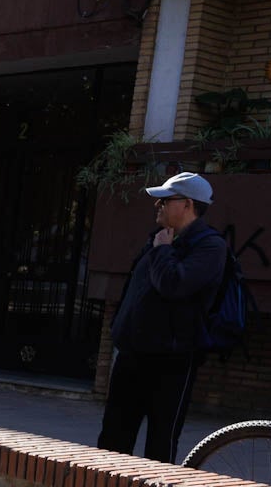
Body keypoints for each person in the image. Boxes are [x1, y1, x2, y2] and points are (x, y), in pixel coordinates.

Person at [97, 172, 228, 464]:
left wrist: (164, 251)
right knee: (113, 438)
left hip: (171, 359)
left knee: (160, 442)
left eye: (165, 201)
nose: (157, 206)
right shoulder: (160, 238)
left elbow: (174, 285)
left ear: (187, 205)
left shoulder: (209, 246)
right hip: (133, 353)